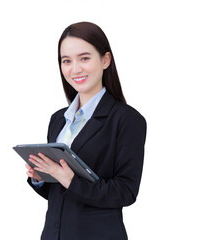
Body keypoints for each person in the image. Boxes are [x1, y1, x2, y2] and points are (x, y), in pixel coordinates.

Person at [25, 22, 147, 240]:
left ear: (105, 60)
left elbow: (126, 192)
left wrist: (71, 180)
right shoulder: (58, 119)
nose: (75, 69)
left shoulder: (127, 120)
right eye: (66, 61)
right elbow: (61, 195)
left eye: (84, 58)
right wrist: (41, 178)